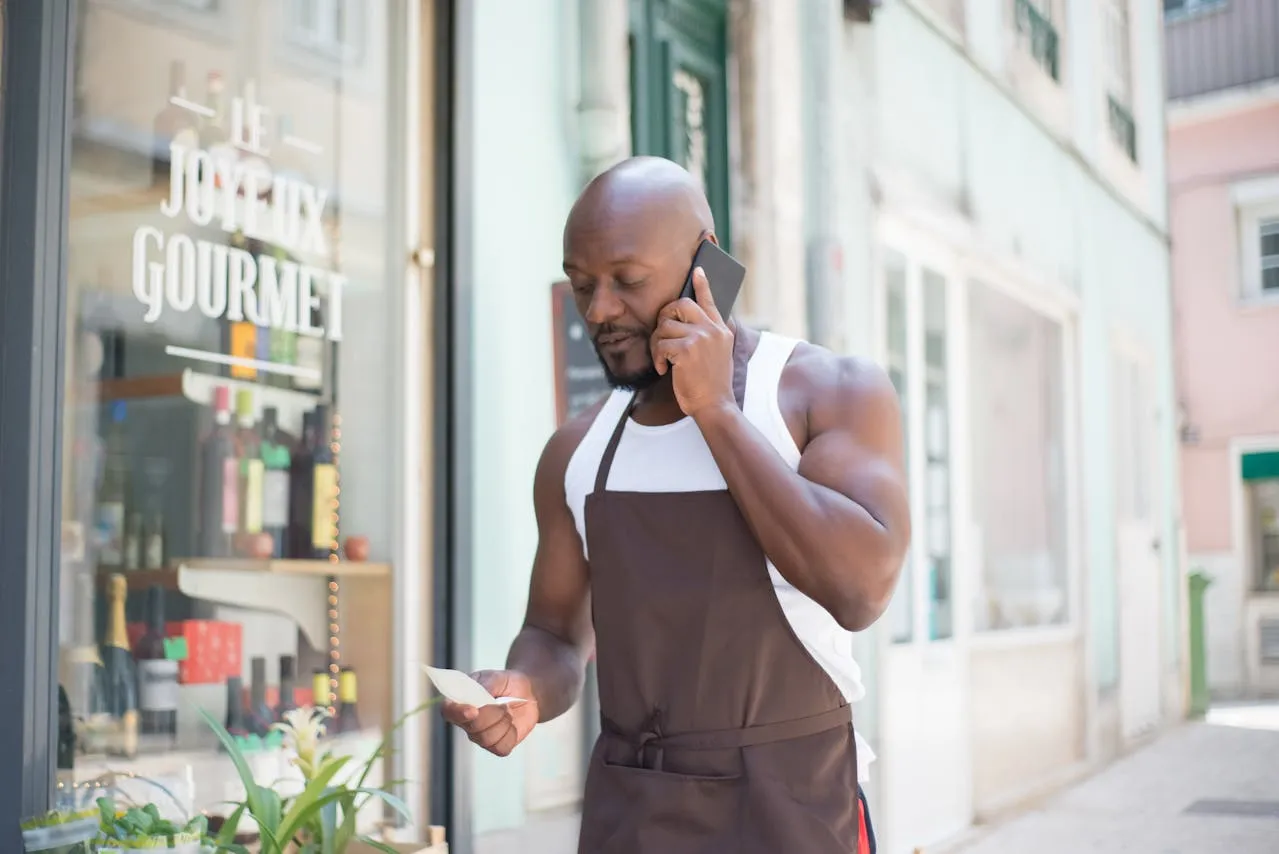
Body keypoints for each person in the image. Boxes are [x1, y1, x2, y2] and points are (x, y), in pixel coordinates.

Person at [442, 156, 910, 853]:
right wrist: (526, 690)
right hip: (630, 815)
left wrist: (716, 411)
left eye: (627, 282)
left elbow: (859, 589)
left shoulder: (827, 392)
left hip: (789, 809)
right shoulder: (577, 450)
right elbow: (553, 635)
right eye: (581, 285)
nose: (599, 311)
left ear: (705, 267)